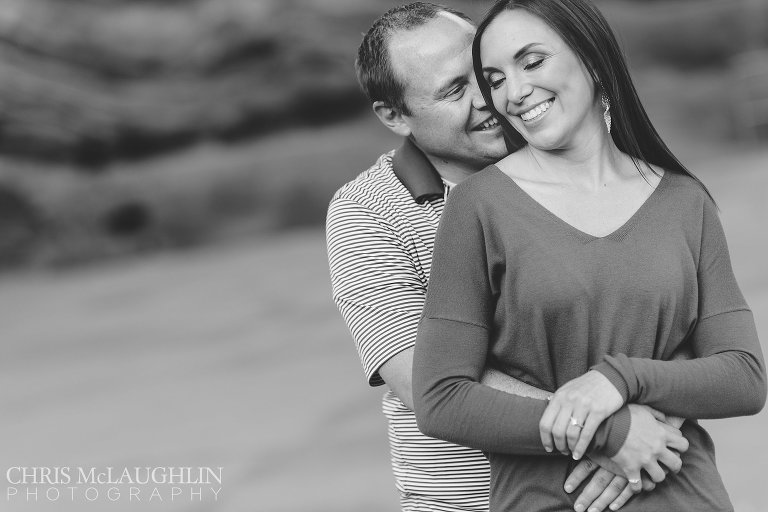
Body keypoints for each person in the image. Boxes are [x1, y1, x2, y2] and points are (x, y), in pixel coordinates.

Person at [412, 0, 767, 511]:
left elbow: (744, 378)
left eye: (531, 62)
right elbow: (442, 397)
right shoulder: (477, 208)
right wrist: (605, 430)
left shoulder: (686, 202)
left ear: (593, 60)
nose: (512, 93)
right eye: (494, 79)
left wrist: (619, 379)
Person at [326, 3, 681, 512]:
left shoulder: (582, 153)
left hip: (635, 486)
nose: (496, 97)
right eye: (454, 91)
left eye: (486, 71)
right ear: (393, 116)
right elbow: (424, 378)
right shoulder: (366, 212)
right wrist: (607, 428)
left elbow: (682, 318)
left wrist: (660, 419)